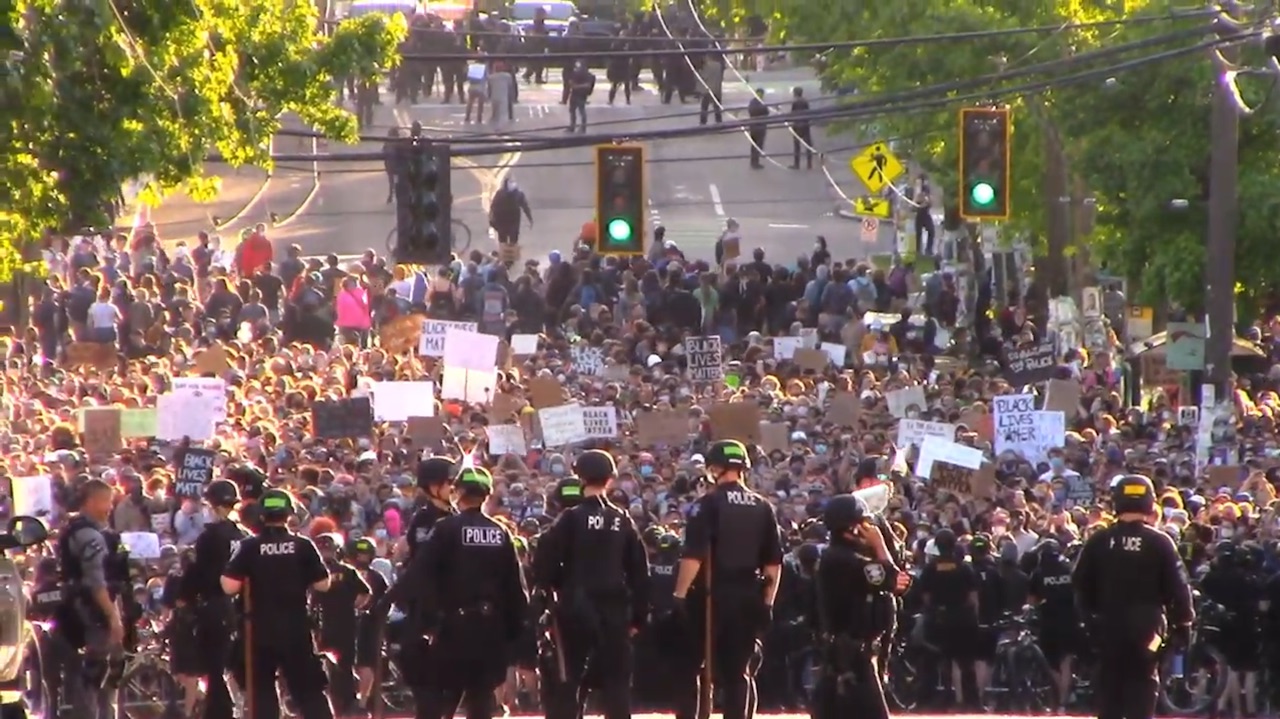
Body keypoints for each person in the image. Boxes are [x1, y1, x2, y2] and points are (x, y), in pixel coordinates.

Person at [671, 439, 784, 719]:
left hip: (710, 595)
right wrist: (767, 603)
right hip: (748, 596)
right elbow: (773, 565)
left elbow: (693, 556)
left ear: (715, 468)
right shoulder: (763, 506)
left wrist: (680, 595)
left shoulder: (707, 504)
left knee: (690, 667)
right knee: (738, 673)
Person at [534, 450, 650, 719]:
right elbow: (639, 572)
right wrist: (638, 618)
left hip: (574, 607)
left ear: (579, 477)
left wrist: (555, 588)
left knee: (568, 681)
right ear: (610, 479)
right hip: (615, 609)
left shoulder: (570, 518)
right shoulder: (622, 519)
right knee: (617, 682)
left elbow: (544, 564)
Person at [1072, 474, 1195, 719]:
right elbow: (1179, 588)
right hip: (1148, 632)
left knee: (1109, 689)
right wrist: (1183, 624)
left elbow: (1079, 585)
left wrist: (1089, 622)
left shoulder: (1099, 541)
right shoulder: (1160, 542)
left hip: (1108, 628)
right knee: (1144, 683)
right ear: (1150, 502)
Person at [413, 466, 530, 719]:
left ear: (459, 492)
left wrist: (427, 622)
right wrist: (514, 636)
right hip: (490, 630)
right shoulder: (502, 533)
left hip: (452, 629)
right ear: (487, 495)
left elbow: (423, 576)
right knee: (481, 701)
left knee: (439, 700)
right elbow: (516, 589)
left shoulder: (445, 529)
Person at [221, 488, 334, 719]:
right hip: (296, 629)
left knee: (261, 692)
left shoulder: (249, 547)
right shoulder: (303, 546)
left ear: (261, 515)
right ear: (289, 514)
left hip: (258, 631)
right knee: (309, 691)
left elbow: (228, 586)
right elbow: (324, 584)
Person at [809, 493, 900, 719]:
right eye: (864, 524)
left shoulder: (840, 556)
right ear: (852, 527)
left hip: (843, 651)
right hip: (851, 654)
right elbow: (894, 580)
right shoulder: (847, 560)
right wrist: (879, 544)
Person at [58, 478, 129, 719]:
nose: (110, 507)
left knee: (111, 673)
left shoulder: (93, 532)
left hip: (96, 608)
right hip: (93, 612)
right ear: (91, 502)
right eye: (106, 502)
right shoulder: (89, 536)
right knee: (95, 674)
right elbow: (95, 582)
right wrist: (113, 616)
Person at [180, 479, 249, 719]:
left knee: (214, 669)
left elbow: (199, 574)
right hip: (242, 609)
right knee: (237, 668)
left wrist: (183, 598)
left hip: (215, 608)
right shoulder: (243, 537)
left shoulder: (209, 538)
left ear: (214, 505)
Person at [406, 456, 458, 558]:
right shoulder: (422, 519)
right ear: (433, 486)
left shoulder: (460, 516)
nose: (455, 487)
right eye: (450, 482)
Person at [565, 60, 596, 134]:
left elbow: (587, 85)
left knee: (581, 111)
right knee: (573, 110)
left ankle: (582, 127)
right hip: (575, 94)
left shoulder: (588, 75)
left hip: (581, 95)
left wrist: (576, 86)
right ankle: (573, 126)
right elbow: (571, 83)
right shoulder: (576, 74)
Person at [788, 86, 814, 170]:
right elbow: (808, 112)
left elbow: (793, 113)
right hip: (805, 124)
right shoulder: (805, 101)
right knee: (808, 144)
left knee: (797, 145)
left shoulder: (795, 102)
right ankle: (809, 164)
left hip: (797, 124)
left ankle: (797, 164)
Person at [747, 88, 770, 169]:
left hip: (753, 126)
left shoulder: (752, 102)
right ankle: (755, 162)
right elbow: (767, 113)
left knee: (754, 145)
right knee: (758, 145)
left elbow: (750, 111)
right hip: (760, 127)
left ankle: (753, 161)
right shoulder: (762, 104)